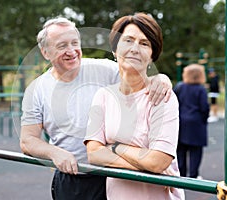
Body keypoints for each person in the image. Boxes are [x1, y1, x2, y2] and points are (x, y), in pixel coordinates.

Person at [20, 17, 173, 200]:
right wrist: (54, 152)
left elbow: (138, 72)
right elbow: (27, 140)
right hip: (72, 177)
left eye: (75, 43)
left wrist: (161, 78)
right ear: (45, 52)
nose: (71, 51)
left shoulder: (105, 69)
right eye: (62, 46)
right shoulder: (37, 89)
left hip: (112, 173)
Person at [84, 12, 184, 200]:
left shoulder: (162, 96)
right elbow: (94, 153)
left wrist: (115, 147)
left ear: (152, 55)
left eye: (144, 43)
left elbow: (158, 161)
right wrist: (145, 165)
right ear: (115, 49)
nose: (135, 49)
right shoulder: (103, 96)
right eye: (128, 40)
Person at [174, 64, 209, 178]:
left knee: (180, 151)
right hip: (196, 123)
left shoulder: (180, 87)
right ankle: (193, 175)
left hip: (181, 122)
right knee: (196, 151)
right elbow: (204, 107)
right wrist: (203, 120)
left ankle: (181, 174)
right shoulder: (201, 89)